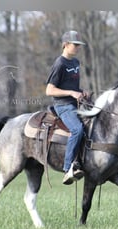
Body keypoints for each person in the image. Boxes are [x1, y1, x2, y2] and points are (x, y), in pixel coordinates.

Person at [45, 30, 87, 185]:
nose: (78, 48)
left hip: (75, 104)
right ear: (65, 45)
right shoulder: (60, 64)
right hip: (62, 106)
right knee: (77, 130)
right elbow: (49, 90)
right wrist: (71, 93)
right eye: (75, 45)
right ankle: (68, 167)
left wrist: (82, 93)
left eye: (79, 45)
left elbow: (72, 86)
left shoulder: (75, 63)